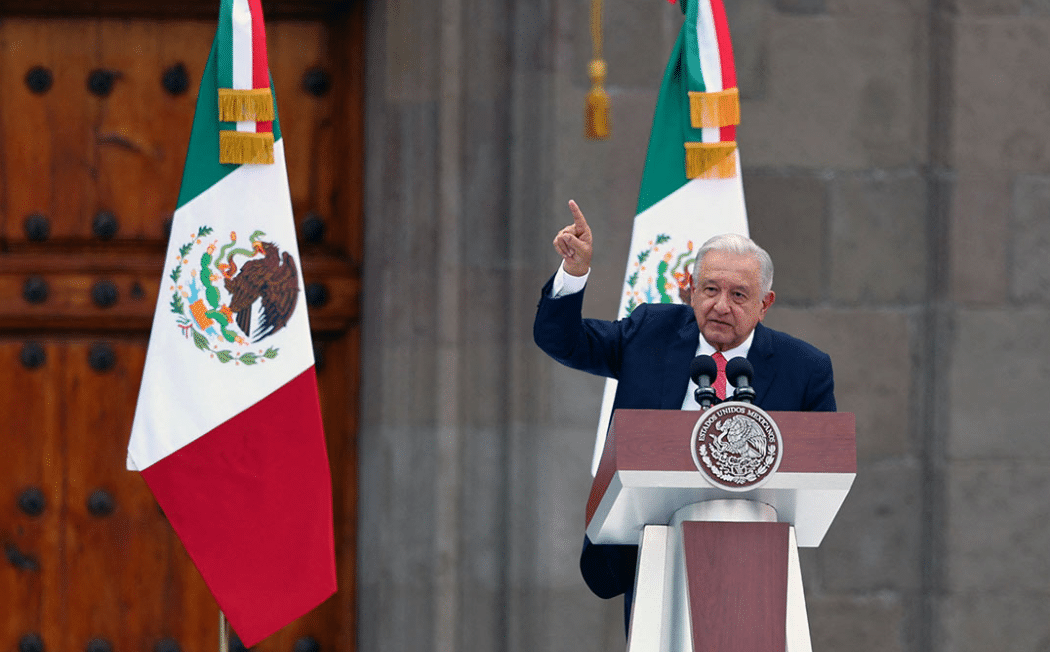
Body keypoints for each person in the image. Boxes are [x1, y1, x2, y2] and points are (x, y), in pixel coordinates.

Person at [533, 199, 836, 630]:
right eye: (710, 290)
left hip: (756, 555)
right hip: (650, 546)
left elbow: (825, 465)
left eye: (738, 295)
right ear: (691, 290)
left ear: (765, 303)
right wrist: (574, 273)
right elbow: (562, 341)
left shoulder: (804, 368)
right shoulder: (649, 333)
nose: (721, 306)